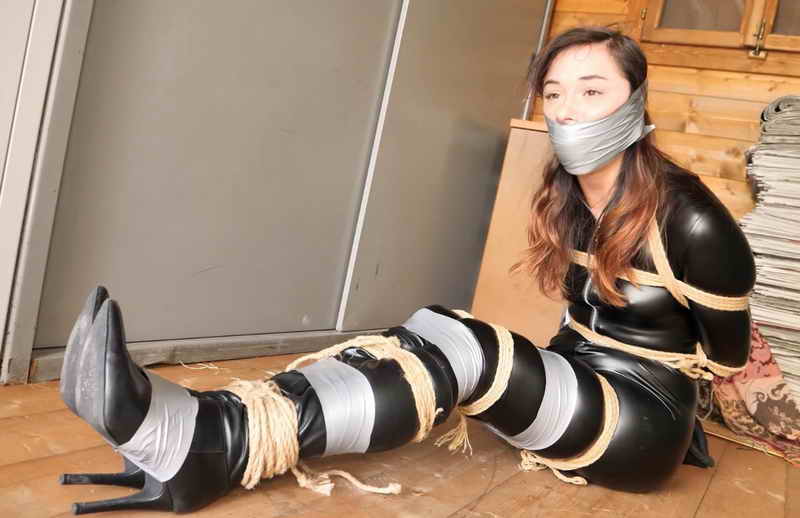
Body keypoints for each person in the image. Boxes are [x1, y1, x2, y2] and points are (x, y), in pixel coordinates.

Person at [57, 27, 755, 515]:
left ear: (635, 100)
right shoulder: (570, 195)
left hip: (637, 423)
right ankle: (220, 421)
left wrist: (691, 424)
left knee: (474, 352)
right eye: (554, 94)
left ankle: (210, 445)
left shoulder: (692, 218)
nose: (569, 111)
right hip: (580, 381)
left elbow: (725, 356)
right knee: (439, 324)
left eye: (592, 92)